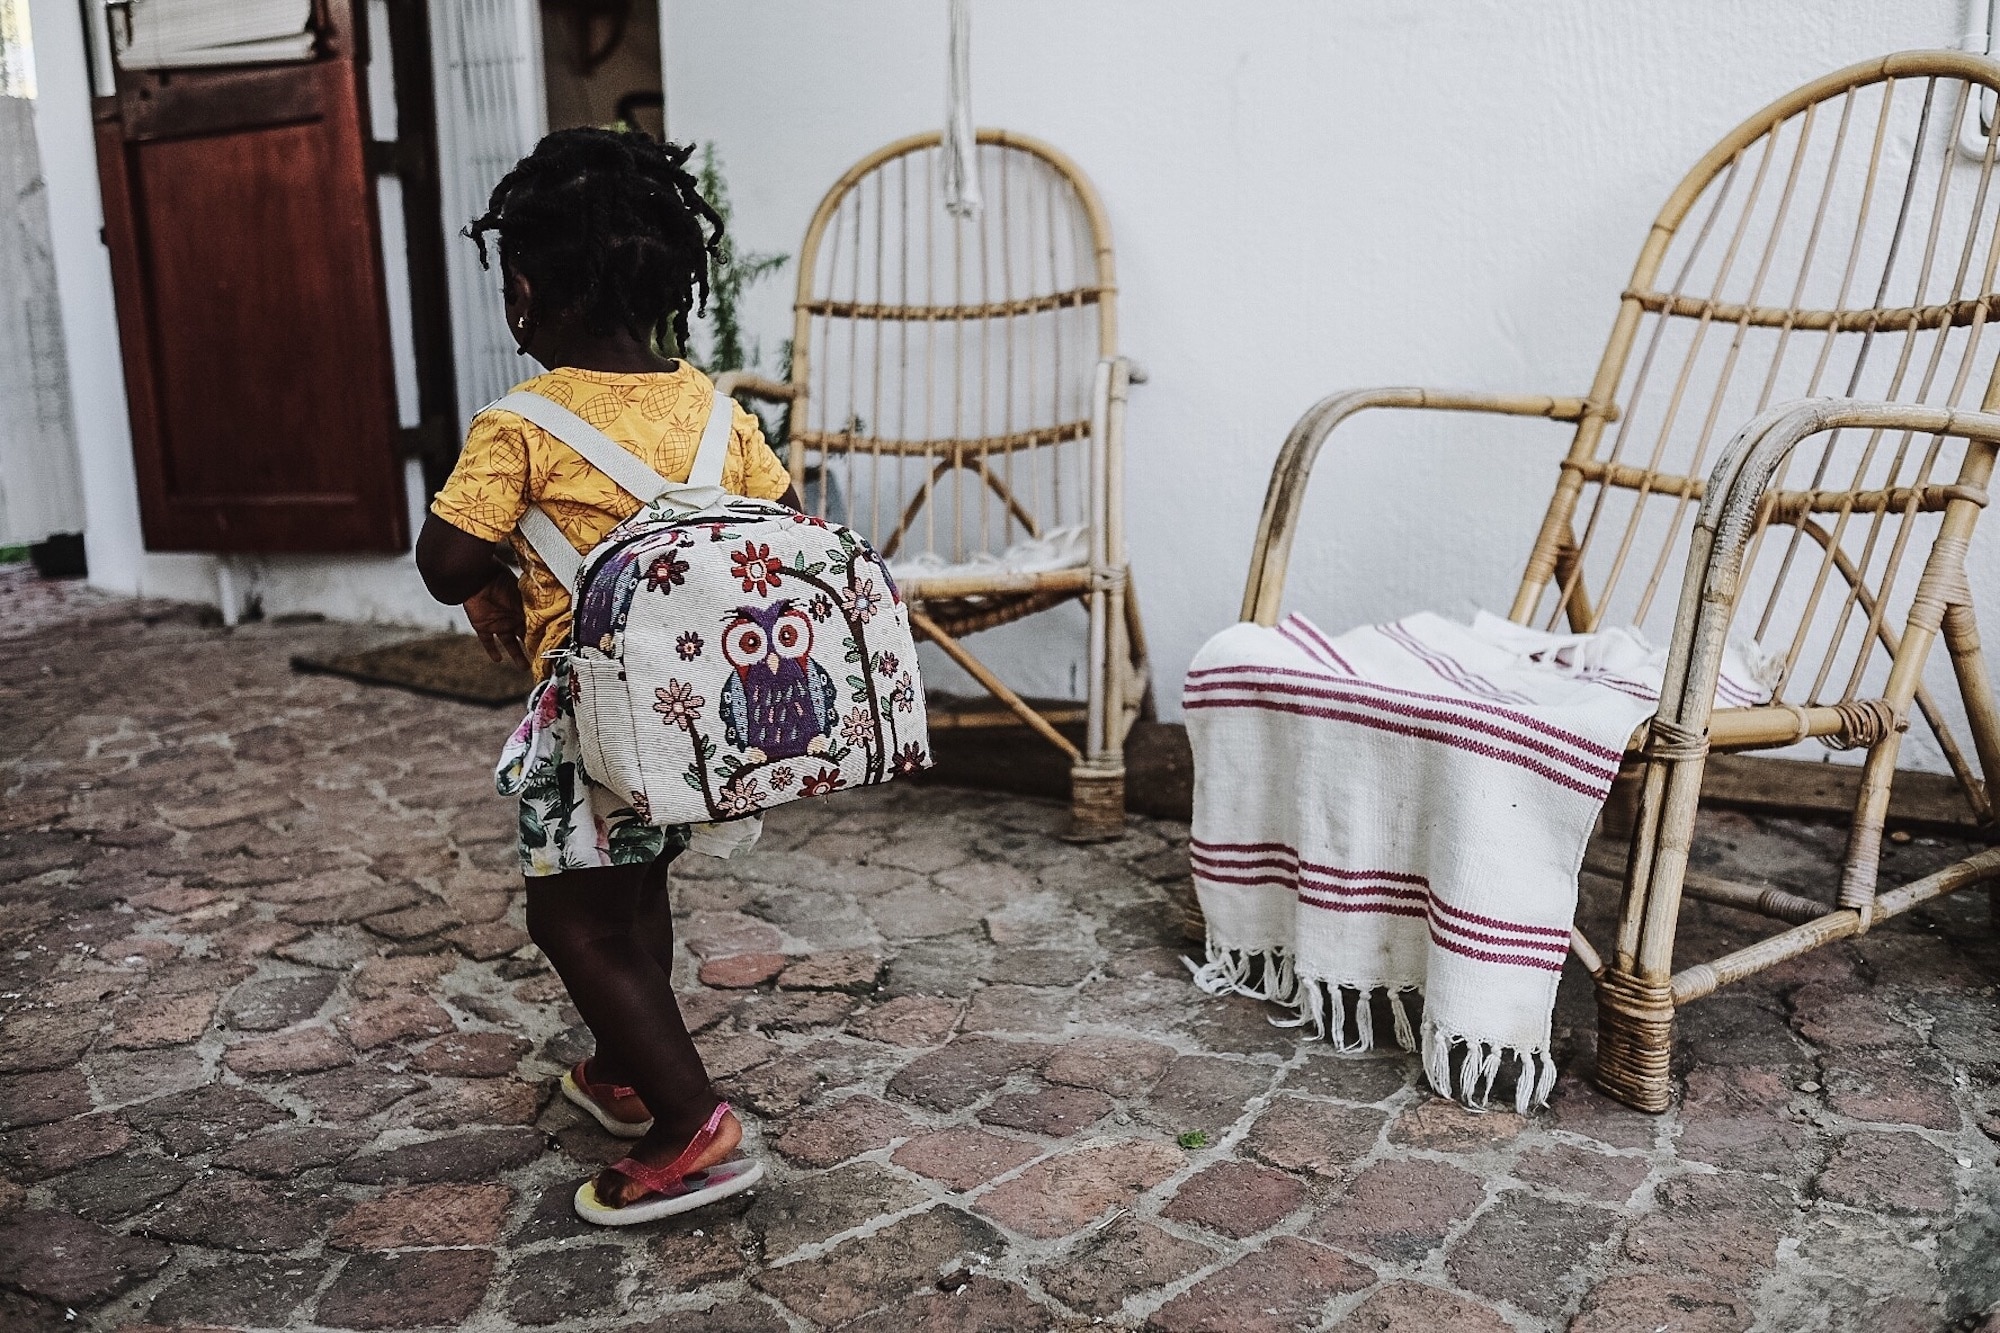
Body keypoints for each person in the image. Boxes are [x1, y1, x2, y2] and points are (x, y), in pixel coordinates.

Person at [415, 128, 793, 1224]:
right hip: (690, 720)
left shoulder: (520, 426)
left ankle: (691, 1124)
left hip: (591, 722)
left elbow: (444, 563)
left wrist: (508, 563)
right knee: (632, 891)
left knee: (569, 921)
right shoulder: (715, 410)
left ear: (521, 291)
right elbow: (766, 526)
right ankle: (626, 1070)